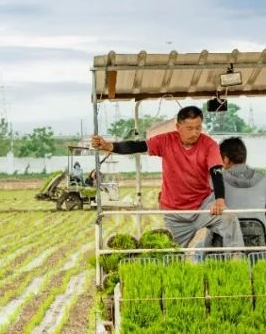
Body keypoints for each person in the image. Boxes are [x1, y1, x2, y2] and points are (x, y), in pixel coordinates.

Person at [91, 106, 240, 248]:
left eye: (198, 128)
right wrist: (110, 146)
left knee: (229, 219)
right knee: (171, 255)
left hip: (203, 205)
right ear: (178, 127)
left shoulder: (209, 145)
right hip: (174, 212)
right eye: (190, 128)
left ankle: (237, 260)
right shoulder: (166, 141)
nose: (195, 132)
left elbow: (216, 171)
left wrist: (220, 199)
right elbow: (138, 146)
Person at [208, 136, 266, 246]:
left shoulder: (215, 181)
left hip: (223, 245)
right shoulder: (265, 179)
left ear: (225, 160)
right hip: (258, 243)